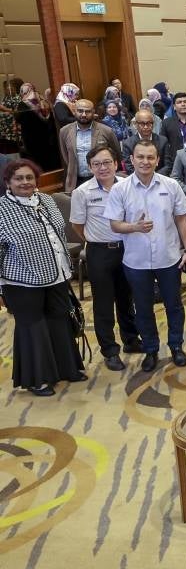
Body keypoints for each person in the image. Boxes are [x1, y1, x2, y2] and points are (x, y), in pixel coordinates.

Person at [0, 159, 88, 396]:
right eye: (19, 178)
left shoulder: (47, 200)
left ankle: (67, 369)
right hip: (22, 282)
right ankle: (37, 379)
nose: (25, 182)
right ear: (8, 182)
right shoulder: (2, 209)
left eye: (29, 177)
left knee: (60, 321)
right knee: (33, 328)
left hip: (57, 274)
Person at [105, 140, 186, 373]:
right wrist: (134, 227)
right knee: (143, 308)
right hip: (136, 260)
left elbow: (182, 219)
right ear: (131, 160)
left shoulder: (171, 185)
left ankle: (176, 346)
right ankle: (151, 349)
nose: (145, 161)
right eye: (141, 157)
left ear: (157, 160)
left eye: (150, 157)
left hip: (169, 257)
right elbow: (114, 224)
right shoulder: (119, 189)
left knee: (174, 305)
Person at [69, 145, 141, 371]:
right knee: (103, 303)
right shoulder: (82, 192)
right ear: (90, 167)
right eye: (97, 164)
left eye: (107, 162)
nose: (103, 167)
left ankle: (130, 340)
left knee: (126, 298)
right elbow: (77, 225)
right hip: (99, 252)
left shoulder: (128, 184)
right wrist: (95, 238)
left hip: (128, 248)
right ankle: (110, 350)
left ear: (115, 163)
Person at [59, 99, 120, 190]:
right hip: (76, 182)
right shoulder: (64, 131)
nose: (83, 114)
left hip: (101, 179)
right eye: (80, 111)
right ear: (74, 111)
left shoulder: (106, 131)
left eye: (87, 111)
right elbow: (65, 156)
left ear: (93, 112)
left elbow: (116, 155)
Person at [15, 84, 60, 171]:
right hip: (47, 136)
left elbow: (18, 118)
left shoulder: (22, 104)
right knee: (50, 159)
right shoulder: (42, 100)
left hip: (32, 138)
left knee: (38, 161)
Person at [123, 109, 172, 175]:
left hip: (160, 179)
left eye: (149, 123)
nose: (146, 127)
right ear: (136, 124)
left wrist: (154, 177)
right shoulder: (128, 144)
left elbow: (168, 165)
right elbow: (129, 168)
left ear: (153, 124)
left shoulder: (162, 141)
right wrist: (145, 177)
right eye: (142, 124)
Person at [161, 92, 186, 160]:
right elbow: (163, 145)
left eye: (185, 102)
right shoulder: (166, 123)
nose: (183, 104)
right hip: (175, 160)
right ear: (174, 106)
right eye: (179, 102)